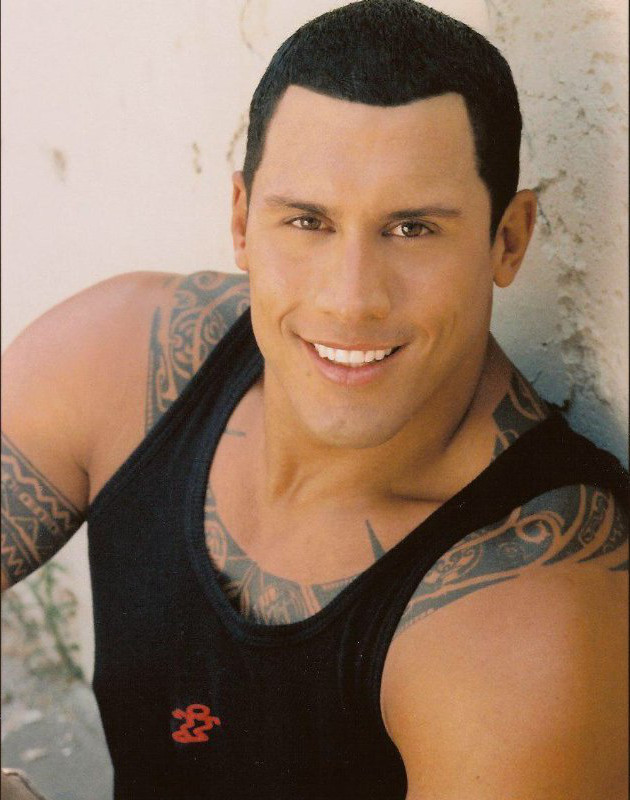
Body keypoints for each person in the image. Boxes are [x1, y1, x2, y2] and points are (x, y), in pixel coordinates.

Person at [2, 0, 628, 797]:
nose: (350, 299)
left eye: (412, 229)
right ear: (241, 221)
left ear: (508, 239)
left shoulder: (529, 609)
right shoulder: (126, 357)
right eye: (308, 221)